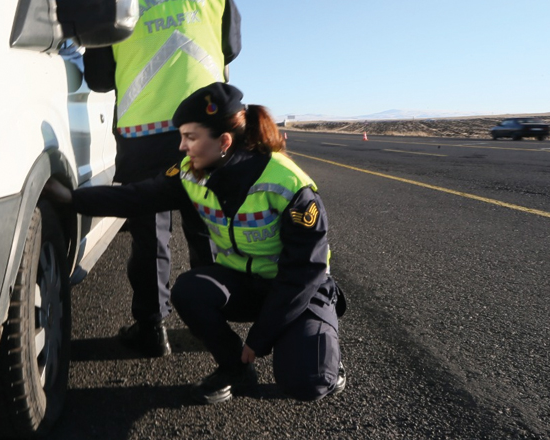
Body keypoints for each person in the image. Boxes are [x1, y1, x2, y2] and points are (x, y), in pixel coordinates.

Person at [45, 82, 347, 403]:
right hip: (246, 283)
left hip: (297, 289)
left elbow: (304, 271)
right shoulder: (192, 173)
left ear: (224, 142)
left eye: (190, 137)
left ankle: (327, 358)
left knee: (308, 382)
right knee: (190, 290)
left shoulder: (288, 185)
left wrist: (258, 339)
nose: (181, 146)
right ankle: (235, 369)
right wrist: (72, 199)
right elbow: (138, 197)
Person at [81, 0, 242, 358]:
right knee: (207, 227)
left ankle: (152, 328)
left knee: (150, 232)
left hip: (144, 133)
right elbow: (231, 47)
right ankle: (211, 321)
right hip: (207, 129)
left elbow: (99, 77)